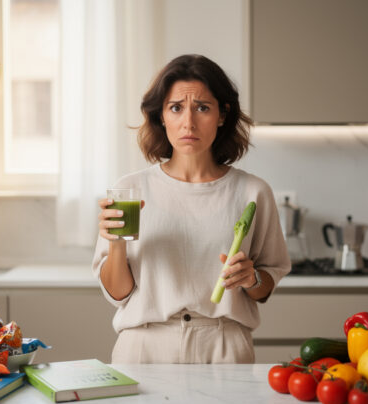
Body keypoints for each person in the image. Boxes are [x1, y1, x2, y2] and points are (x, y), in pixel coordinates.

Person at [92, 54, 291, 363]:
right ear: (161, 116)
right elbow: (119, 293)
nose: (189, 122)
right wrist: (116, 243)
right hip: (144, 348)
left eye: (202, 107)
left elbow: (265, 288)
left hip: (224, 347)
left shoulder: (253, 192)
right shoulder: (130, 190)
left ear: (222, 115)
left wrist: (251, 278)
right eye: (176, 108)